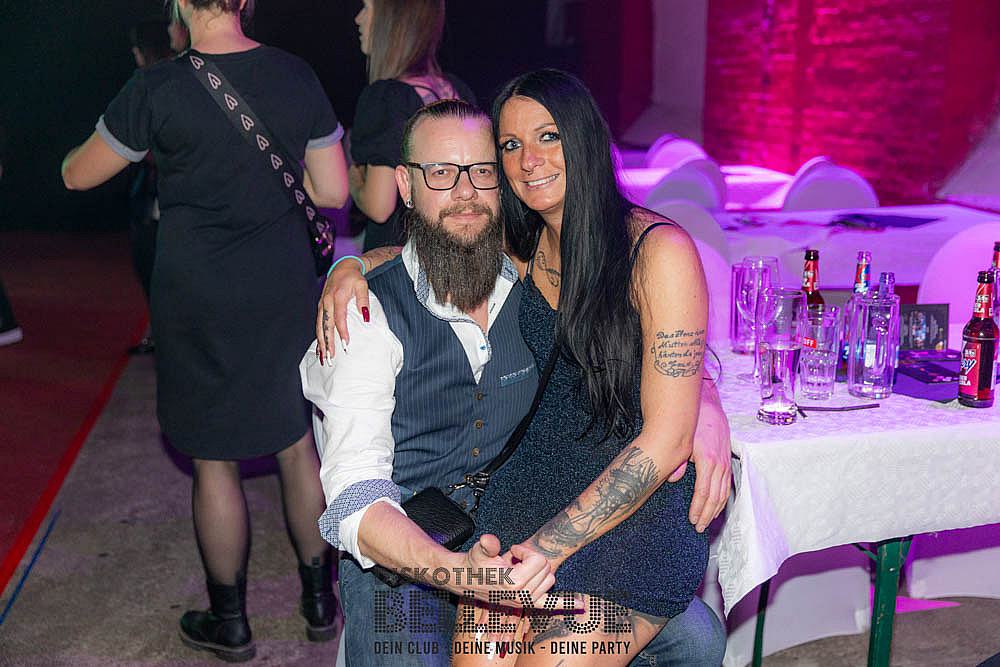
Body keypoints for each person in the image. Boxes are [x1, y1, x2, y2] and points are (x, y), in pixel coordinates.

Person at [306, 94, 730, 665]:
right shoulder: (362, 317)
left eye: (481, 171)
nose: (464, 192)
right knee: (408, 651)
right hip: (407, 544)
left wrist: (703, 398)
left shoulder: (526, 271)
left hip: (532, 512)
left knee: (695, 639)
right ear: (405, 186)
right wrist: (347, 265)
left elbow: (644, 337)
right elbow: (356, 501)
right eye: (441, 173)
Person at [61, 0, 349, 661]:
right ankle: (320, 604)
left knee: (213, 457)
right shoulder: (295, 74)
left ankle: (231, 623)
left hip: (198, 295)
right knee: (295, 442)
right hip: (281, 288)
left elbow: (76, 175)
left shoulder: (156, 86)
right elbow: (334, 190)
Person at [349, 0, 475, 252]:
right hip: (455, 254)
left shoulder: (387, 98)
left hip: (402, 261)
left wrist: (353, 179)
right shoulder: (458, 90)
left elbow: (379, 206)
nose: (358, 19)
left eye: (367, 8)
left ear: (393, 20)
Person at [125, 17, 174, 355]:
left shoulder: (156, 83)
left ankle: (166, 335)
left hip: (170, 197)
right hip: (155, 196)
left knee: (157, 268)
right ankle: (161, 333)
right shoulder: (166, 79)